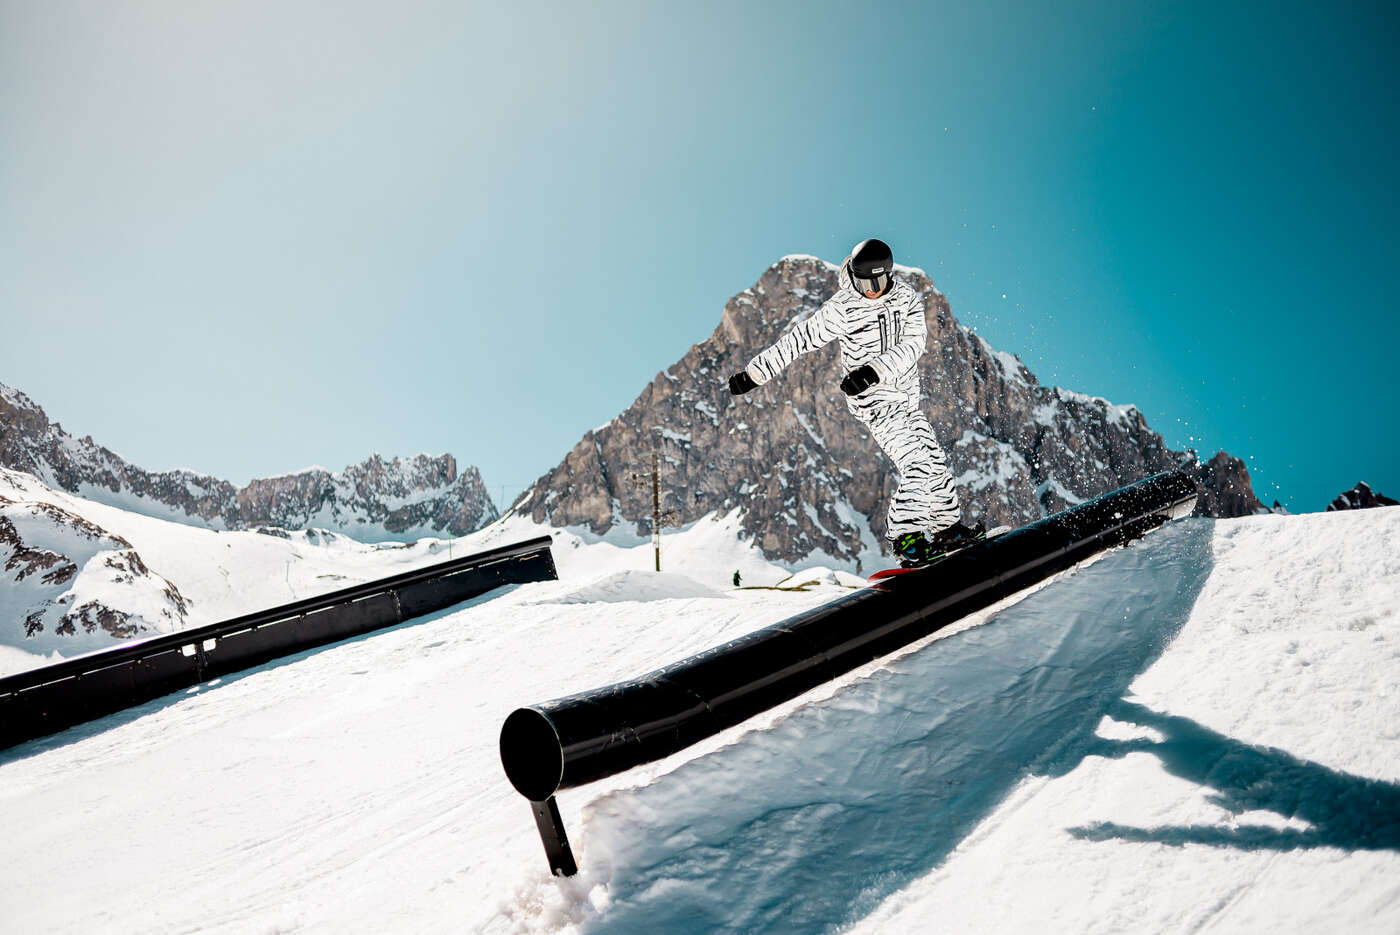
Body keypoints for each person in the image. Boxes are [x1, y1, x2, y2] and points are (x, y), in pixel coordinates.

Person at [727, 238, 982, 567]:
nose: (873, 289)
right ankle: (906, 537)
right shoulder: (843, 308)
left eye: (879, 281)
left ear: (889, 275)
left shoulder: (905, 298)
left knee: (935, 465)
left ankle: (946, 528)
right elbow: (799, 339)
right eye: (865, 282)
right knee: (916, 465)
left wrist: (873, 370)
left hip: (906, 400)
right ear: (854, 277)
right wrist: (754, 374)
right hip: (876, 406)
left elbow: (914, 343)